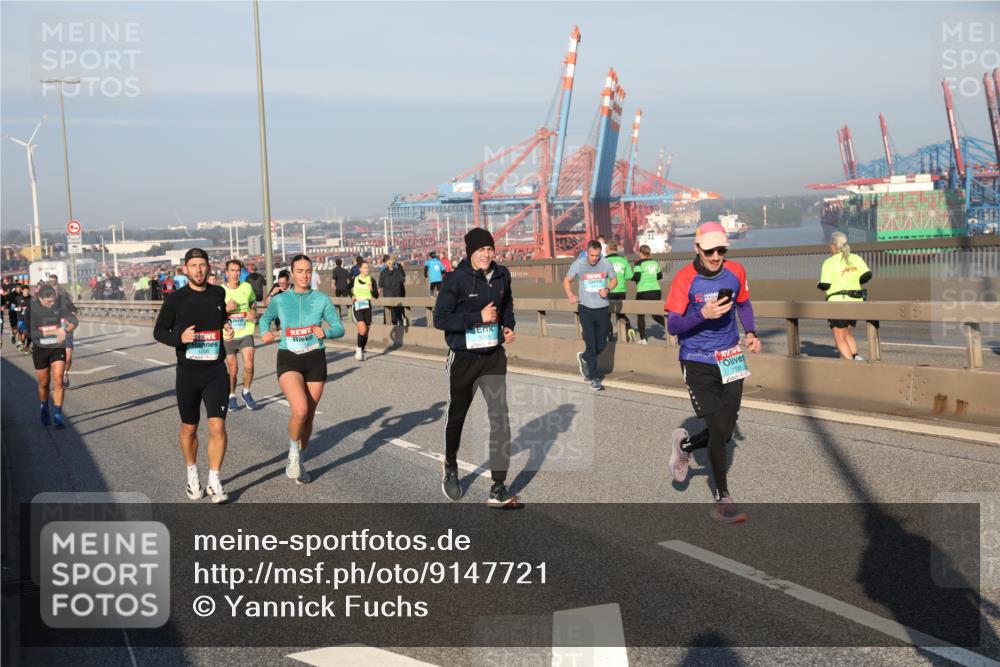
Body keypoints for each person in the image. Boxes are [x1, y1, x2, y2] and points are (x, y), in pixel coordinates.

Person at [665, 221, 761, 525]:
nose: (716, 256)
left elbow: (744, 304)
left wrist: (751, 332)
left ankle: (685, 445)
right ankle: (722, 498)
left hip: (730, 357)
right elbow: (673, 325)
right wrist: (702, 314)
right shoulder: (685, 278)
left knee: (726, 431)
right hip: (696, 359)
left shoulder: (736, 272)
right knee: (718, 426)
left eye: (721, 250)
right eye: (710, 251)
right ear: (697, 248)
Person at [433, 228, 520, 508]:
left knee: (500, 418)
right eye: (481, 249)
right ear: (470, 251)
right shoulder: (455, 280)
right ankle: (450, 464)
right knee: (458, 415)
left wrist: (508, 325)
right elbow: (440, 319)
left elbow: (507, 304)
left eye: (490, 249)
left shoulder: (502, 275)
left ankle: (498, 487)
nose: (486, 254)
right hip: (464, 357)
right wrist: (477, 317)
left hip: (493, 356)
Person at [153, 248, 235, 504]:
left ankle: (214, 480)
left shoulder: (218, 293)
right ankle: (192, 474)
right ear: (185, 269)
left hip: (215, 369)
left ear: (208, 267)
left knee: (217, 426)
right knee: (189, 428)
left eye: (202, 265)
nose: (199, 270)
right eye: (194, 265)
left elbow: (220, 318)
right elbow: (159, 331)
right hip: (188, 373)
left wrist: (226, 326)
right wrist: (179, 338)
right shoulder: (175, 299)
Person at [258, 254, 344, 485]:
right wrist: (264, 332)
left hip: (315, 359)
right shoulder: (280, 299)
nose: (304, 275)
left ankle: (301, 461)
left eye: (308, 271)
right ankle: (293, 453)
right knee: (300, 410)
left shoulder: (321, 299)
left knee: (309, 416)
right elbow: (265, 320)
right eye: (300, 271)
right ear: (292, 274)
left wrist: (326, 332)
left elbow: (339, 327)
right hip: (289, 358)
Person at [563, 240, 617, 390]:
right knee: (591, 344)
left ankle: (585, 357)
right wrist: (570, 295)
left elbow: (614, 280)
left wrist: (607, 289)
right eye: (592, 255)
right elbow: (567, 280)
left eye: (597, 255)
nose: (594, 258)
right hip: (585, 308)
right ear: (587, 252)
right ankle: (594, 378)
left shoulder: (606, 263)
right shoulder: (579, 264)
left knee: (602, 343)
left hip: (602, 308)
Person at [27, 285, 78, 428]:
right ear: (40, 298)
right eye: (48, 301)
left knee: (58, 381)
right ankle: (44, 405)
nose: (52, 303)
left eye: (53, 300)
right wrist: (54, 332)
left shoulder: (59, 306)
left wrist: (64, 332)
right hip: (40, 349)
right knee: (44, 383)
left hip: (57, 348)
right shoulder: (32, 308)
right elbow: (31, 333)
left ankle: (57, 414)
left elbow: (75, 321)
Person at [818, 231, 872, 361]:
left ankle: (851, 365)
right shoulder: (856, 258)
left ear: (833, 246)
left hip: (838, 302)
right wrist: (852, 280)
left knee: (838, 335)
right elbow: (867, 275)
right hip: (856, 301)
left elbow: (825, 285)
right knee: (847, 332)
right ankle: (856, 357)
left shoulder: (829, 262)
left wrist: (819, 284)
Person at [222, 259, 259, 411]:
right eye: (232, 270)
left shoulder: (247, 287)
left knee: (249, 366)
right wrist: (226, 309)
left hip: (245, 332)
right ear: (226, 273)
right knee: (233, 369)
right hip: (228, 335)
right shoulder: (220, 291)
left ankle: (246, 392)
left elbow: (253, 302)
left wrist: (253, 311)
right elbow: (213, 313)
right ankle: (231, 395)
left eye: (238, 270)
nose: (235, 273)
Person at [48, 274, 78, 388]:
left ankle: (65, 373)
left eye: (56, 290)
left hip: (67, 331)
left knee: (68, 358)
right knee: (54, 360)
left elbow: (74, 313)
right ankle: (56, 381)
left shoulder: (65, 300)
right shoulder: (47, 303)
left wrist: (70, 320)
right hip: (53, 333)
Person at [632, 244, 665, 344]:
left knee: (640, 315)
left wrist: (631, 278)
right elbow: (660, 276)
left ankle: (643, 339)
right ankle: (672, 327)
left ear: (640, 253)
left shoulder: (638, 263)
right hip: (656, 290)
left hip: (643, 291)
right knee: (655, 315)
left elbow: (637, 276)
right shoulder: (655, 263)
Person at [604, 241, 635, 342]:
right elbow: (629, 276)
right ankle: (628, 330)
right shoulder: (623, 260)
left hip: (608, 290)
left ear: (608, 249)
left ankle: (610, 337)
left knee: (607, 315)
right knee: (620, 313)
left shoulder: (604, 261)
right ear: (616, 249)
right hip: (621, 290)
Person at [349, 260, 379, 361]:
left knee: (366, 332)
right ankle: (358, 350)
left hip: (367, 307)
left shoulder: (371, 280)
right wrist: (352, 295)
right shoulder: (355, 279)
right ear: (360, 269)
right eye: (365, 268)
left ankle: (361, 351)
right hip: (357, 307)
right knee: (363, 329)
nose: (367, 269)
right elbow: (347, 289)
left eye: (368, 267)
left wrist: (371, 289)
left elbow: (376, 296)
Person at [378, 254, 407, 326]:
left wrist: (380, 288)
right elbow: (402, 279)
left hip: (387, 295)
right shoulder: (397, 270)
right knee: (398, 308)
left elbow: (380, 284)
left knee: (389, 311)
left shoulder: (383, 272)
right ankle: (400, 320)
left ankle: (389, 325)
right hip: (397, 293)